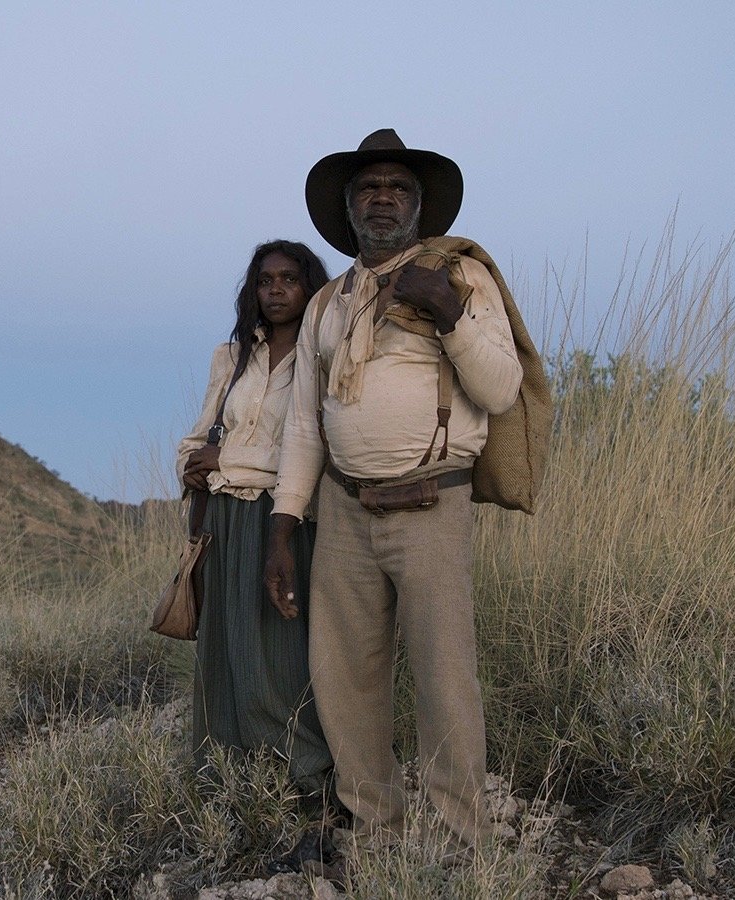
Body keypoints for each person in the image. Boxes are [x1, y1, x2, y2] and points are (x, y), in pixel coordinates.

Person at [264, 129, 525, 863]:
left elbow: (500, 389)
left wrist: (445, 308)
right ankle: (373, 824)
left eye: (397, 187)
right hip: (344, 508)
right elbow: (306, 427)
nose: (382, 197)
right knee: (342, 673)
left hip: (430, 503)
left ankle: (460, 834)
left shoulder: (458, 275)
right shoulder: (325, 304)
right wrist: (284, 526)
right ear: (349, 209)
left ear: (419, 206)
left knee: (445, 674)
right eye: (369, 187)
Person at [176, 240, 337, 864]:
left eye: (289, 279)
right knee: (224, 650)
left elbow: (313, 448)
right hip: (223, 515)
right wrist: (190, 465)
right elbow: (199, 436)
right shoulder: (233, 356)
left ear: (308, 286)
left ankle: (309, 787)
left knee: (282, 653)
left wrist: (229, 459)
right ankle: (232, 787)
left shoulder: (324, 356)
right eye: (265, 280)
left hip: (284, 520)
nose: (276, 290)